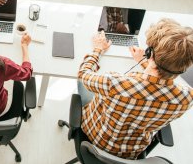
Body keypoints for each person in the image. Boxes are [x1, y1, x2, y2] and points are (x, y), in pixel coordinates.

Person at [77, 18, 193, 159]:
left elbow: (83, 74)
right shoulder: (186, 99)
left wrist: (97, 49)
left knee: (82, 88)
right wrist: (143, 63)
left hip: (96, 138)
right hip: (131, 153)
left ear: (149, 53)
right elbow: (158, 84)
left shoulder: (114, 83)